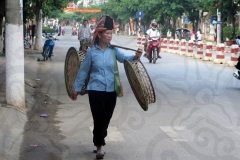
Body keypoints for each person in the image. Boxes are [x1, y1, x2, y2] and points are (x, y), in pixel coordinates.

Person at [71, 15, 142, 159]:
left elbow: (126, 60)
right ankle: (99, 146)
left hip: (111, 90)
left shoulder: (114, 51)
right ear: (99, 35)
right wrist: (76, 88)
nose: (110, 36)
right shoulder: (91, 52)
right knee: (98, 117)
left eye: (111, 33)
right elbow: (84, 70)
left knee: (107, 118)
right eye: (107, 33)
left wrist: (136, 56)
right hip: (95, 89)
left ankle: (99, 137)